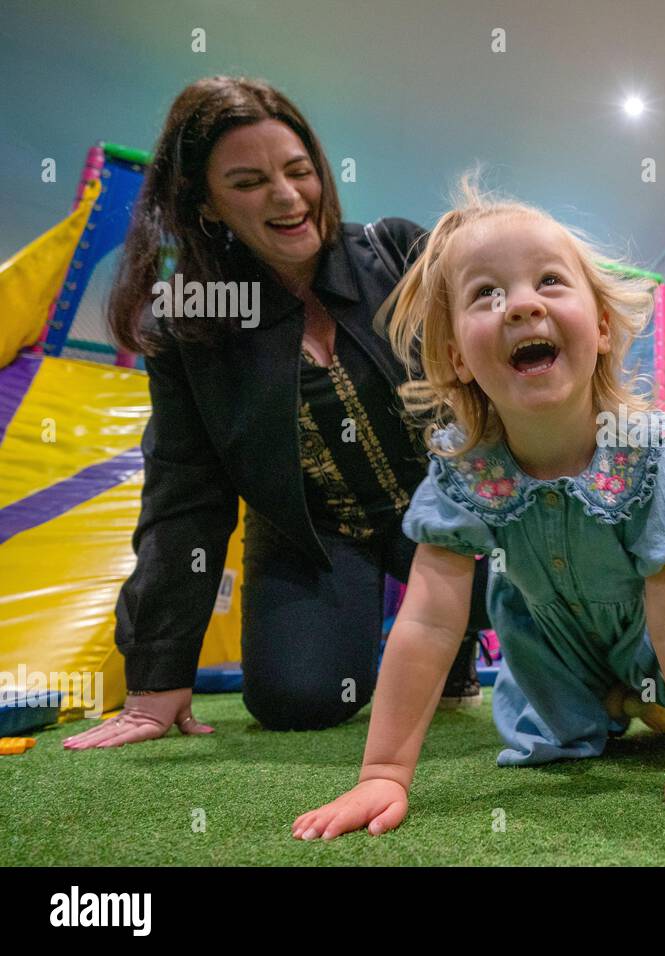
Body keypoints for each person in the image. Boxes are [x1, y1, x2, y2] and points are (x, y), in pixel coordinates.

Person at [291, 180, 665, 839]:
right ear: (454, 357)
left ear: (604, 327)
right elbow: (429, 625)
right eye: (486, 295)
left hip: (657, 624)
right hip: (551, 643)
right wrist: (382, 773)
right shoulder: (463, 467)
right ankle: (614, 700)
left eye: (550, 281)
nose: (522, 304)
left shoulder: (641, 456)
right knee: (563, 737)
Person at [63, 76, 485, 750]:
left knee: (554, 631)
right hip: (314, 534)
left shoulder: (399, 252)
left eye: (298, 170)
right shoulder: (190, 324)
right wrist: (156, 677)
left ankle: (458, 634)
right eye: (250, 181)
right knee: (297, 698)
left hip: (450, 511)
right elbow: (184, 498)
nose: (288, 197)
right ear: (205, 204)